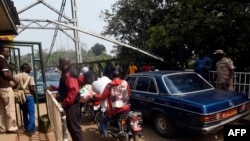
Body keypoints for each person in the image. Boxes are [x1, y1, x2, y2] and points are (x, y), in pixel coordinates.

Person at [48, 57, 83, 141]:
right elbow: (66, 87)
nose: (58, 65)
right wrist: (55, 88)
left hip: (72, 106)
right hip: (69, 105)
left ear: (64, 64)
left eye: (59, 63)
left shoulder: (69, 74)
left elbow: (73, 91)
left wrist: (65, 102)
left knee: (75, 129)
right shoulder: (65, 73)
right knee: (71, 127)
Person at [93, 70, 130, 141]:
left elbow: (102, 97)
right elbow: (128, 92)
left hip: (115, 111)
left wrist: (94, 95)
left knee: (103, 123)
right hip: (126, 108)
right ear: (119, 76)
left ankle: (107, 139)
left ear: (112, 76)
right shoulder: (125, 83)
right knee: (124, 120)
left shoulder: (109, 85)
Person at [0, 46, 20, 134]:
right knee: (10, 109)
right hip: (5, 87)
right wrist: (14, 80)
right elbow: (5, 74)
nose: (8, 53)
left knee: (1, 110)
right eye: (7, 52)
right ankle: (12, 128)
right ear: (2, 51)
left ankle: (2, 128)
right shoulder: (2, 59)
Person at [13, 63, 36, 136]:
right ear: (25, 68)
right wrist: (34, 95)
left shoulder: (16, 76)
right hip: (29, 96)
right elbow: (32, 88)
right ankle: (31, 130)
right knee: (31, 113)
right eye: (29, 67)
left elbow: (12, 85)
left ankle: (27, 128)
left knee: (24, 113)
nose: (30, 68)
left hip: (20, 97)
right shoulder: (30, 77)